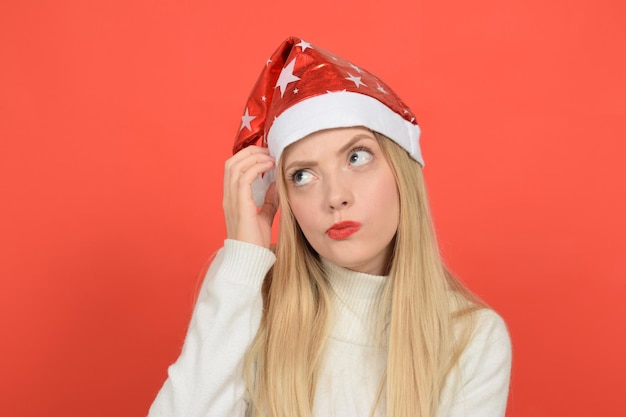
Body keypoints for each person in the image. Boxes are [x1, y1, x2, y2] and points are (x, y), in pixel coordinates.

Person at [148, 36, 511, 417]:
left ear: (402, 172)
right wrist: (242, 260)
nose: (335, 197)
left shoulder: (471, 337)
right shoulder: (248, 295)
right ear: (285, 199)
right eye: (302, 175)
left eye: (357, 156)